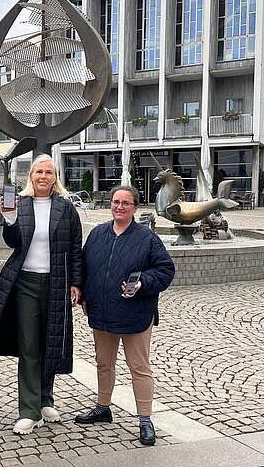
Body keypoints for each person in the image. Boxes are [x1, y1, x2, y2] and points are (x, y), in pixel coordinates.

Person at [0, 154, 83, 435]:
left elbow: (76, 248)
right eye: (38, 172)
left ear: (55, 177)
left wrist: (77, 283)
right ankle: (30, 410)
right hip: (25, 284)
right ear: (30, 176)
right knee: (29, 345)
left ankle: (45, 399)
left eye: (48, 172)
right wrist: (9, 221)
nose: (43, 177)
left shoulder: (66, 208)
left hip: (56, 282)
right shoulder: (22, 204)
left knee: (50, 341)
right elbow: (13, 243)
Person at [75, 185, 175, 446]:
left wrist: (143, 282)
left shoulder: (147, 238)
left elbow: (165, 270)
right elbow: (85, 268)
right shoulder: (97, 234)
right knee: (103, 363)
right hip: (103, 313)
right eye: (116, 202)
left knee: (139, 368)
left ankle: (144, 419)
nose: (120, 207)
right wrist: (85, 296)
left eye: (126, 203)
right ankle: (103, 407)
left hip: (136, 314)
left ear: (135, 208)